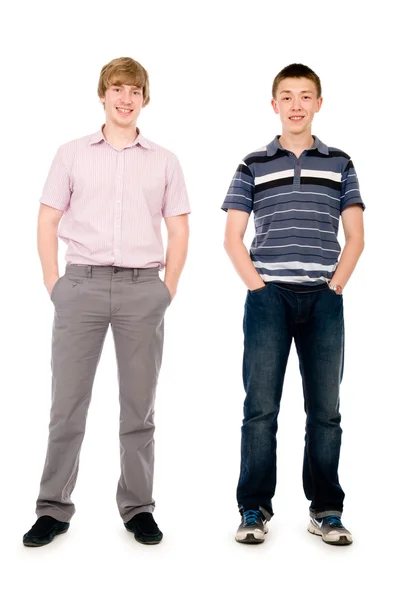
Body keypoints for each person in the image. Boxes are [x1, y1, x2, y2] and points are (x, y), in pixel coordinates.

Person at [23, 57, 190, 547]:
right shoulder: (71, 154)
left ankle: (138, 507)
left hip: (144, 289)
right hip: (81, 286)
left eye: (134, 90)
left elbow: (179, 228)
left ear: (144, 98)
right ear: (103, 94)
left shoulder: (164, 160)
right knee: (67, 406)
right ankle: (52, 508)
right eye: (116, 89)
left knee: (139, 409)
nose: (125, 98)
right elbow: (46, 220)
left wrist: (168, 287)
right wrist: (55, 284)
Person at [222, 63, 364, 546]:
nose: (297, 104)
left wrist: (335, 287)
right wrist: (259, 288)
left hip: (324, 299)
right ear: (274, 104)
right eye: (288, 96)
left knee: (326, 410)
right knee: (260, 408)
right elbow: (233, 238)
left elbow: (356, 236)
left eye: (306, 96)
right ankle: (253, 509)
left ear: (319, 104)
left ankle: (326, 509)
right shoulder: (252, 164)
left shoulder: (340, 162)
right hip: (269, 299)